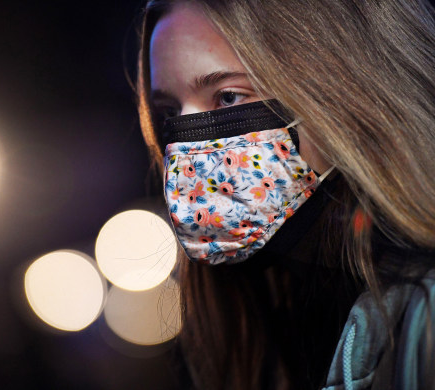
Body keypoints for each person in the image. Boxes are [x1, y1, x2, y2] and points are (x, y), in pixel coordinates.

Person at [135, 0, 435, 389]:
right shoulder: (269, 324)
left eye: (228, 97)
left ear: (346, 87)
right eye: (170, 114)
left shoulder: (423, 315)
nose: (186, 147)